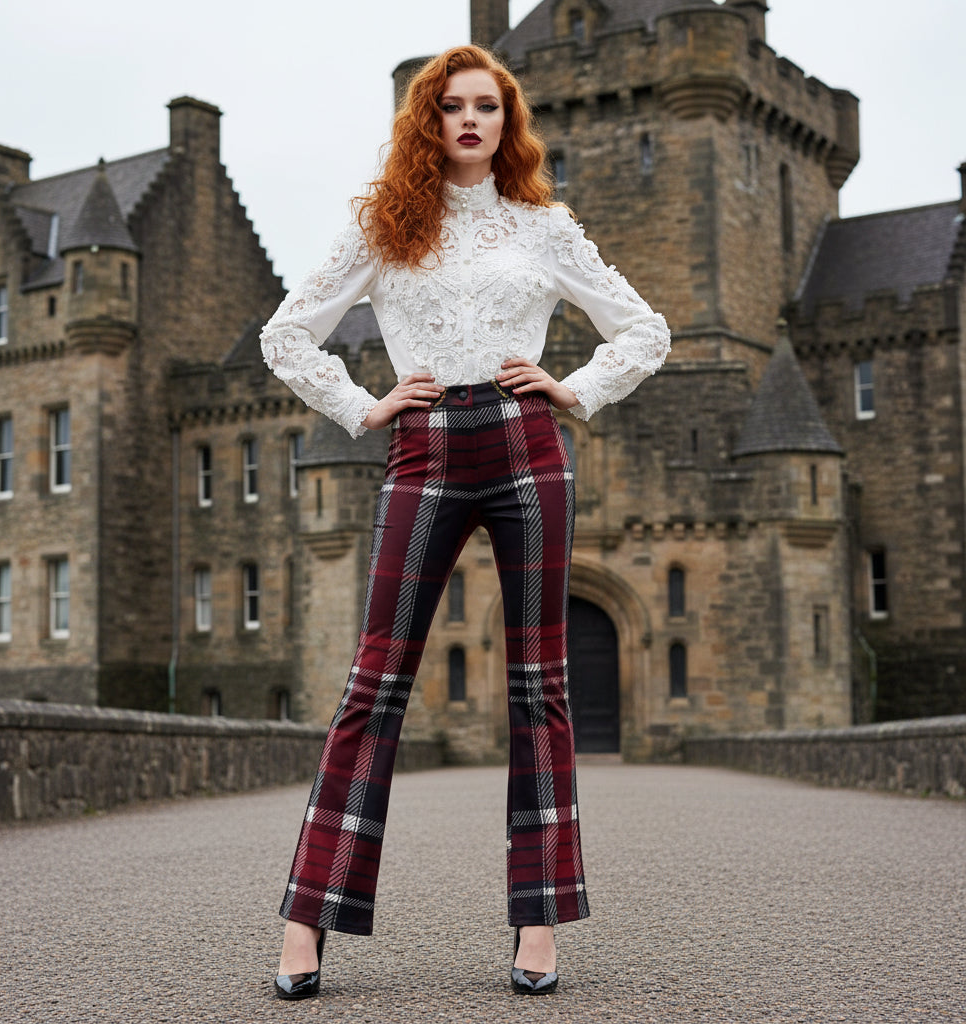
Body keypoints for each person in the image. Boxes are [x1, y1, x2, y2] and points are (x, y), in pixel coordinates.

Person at [260, 44, 670, 999]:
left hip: (529, 446)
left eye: (488, 106)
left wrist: (573, 389)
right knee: (375, 684)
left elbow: (644, 329)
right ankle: (305, 914)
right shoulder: (384, 222)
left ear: (507, 120)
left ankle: (538, 923)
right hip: (425, 446)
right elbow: (288, 332)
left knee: (540, 686)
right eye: (452, 107)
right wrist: (362, 406)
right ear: (427, 121)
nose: (472, 121)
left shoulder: (544, 225)